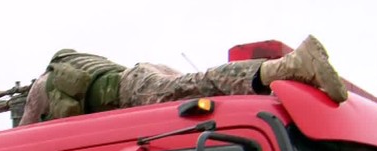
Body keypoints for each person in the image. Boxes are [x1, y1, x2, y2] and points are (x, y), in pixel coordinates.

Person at [18, 34, 348, 126]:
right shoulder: (79, 65)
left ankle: (290, 65)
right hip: (142, 74)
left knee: (204, 85)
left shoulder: (42, 86)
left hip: (134, 88)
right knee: (209, 95)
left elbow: (25, 137)